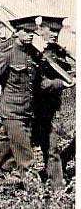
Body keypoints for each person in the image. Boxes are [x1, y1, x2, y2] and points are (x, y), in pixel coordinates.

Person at [0, 16, 69, 188]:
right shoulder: (7, 55)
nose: (30, 35)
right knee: (26, 157)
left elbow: (41, 84)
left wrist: (61, 83)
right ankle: (35, 194)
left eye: (32, 32)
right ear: (17, 32)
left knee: (2, 151)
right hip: (11, 114)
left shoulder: (33, 55)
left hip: (28, 113)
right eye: (26, 32)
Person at [32, 16, 74, 188]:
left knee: (50, 143)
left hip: (47, 107)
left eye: (58, 31)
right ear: (41, 30)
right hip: (31, 106)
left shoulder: (56, 51)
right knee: (13, 145)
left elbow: (68, 68)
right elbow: (38, 84)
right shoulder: (34, 52)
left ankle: (56, 183)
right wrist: (62, 83)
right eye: (51, 30)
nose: (55, 35)